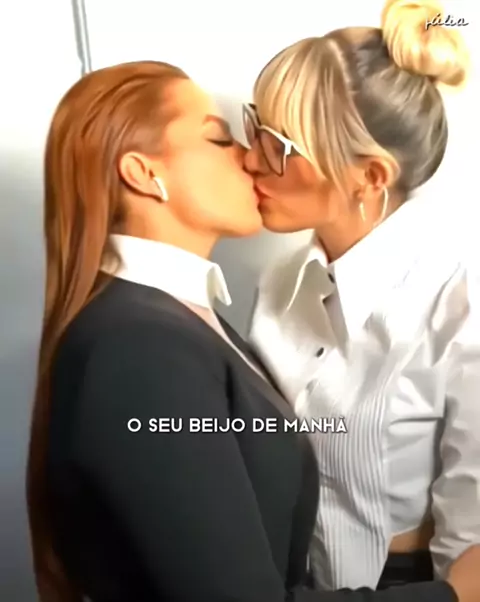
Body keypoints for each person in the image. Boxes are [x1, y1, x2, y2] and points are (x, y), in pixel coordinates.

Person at [27, 59, 476, 602]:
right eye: (220, 138)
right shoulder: (138, 348)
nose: (249, 156)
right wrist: (454, 596)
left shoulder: (180, 319)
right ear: (144, 174)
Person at [244, 0, 479, 596]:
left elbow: (472, 545)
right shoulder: (279, 283)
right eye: (253, 127)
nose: (250, 160)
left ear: (370, 176)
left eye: (277, 146)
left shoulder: (461, 297)